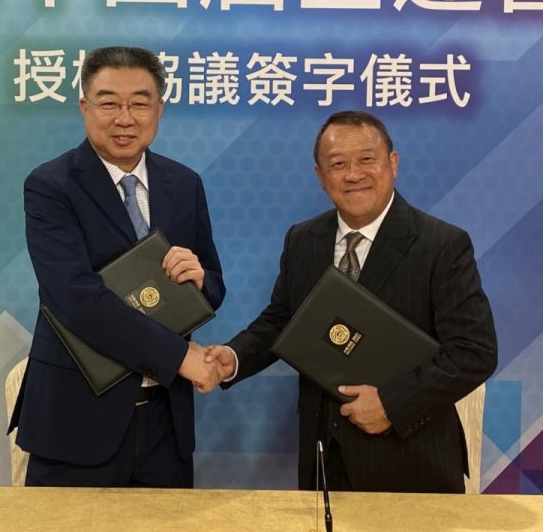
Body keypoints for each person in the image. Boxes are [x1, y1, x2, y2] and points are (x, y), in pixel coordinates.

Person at [205, 110, 496, 493]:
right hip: (323, 458)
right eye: (338, 164)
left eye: (366, 159)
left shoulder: (441, 245)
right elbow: (283, 320)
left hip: (411, 459)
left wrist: (391, 405)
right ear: (320, 176)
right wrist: (234, 357)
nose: (353, 174)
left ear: (393, 163)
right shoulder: (303, 240)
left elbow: (473, 353)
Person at [11, 46, 226, 488]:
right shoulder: (51, 185)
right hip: (77, 420)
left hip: (165, 425)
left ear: (159, 109)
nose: (125, 118)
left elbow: (214, 286)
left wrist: (200, 280)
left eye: (139, 103)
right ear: (85, 107)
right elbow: (76, 300)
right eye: (109, 103)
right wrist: (178, 357)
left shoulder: (184, 183)